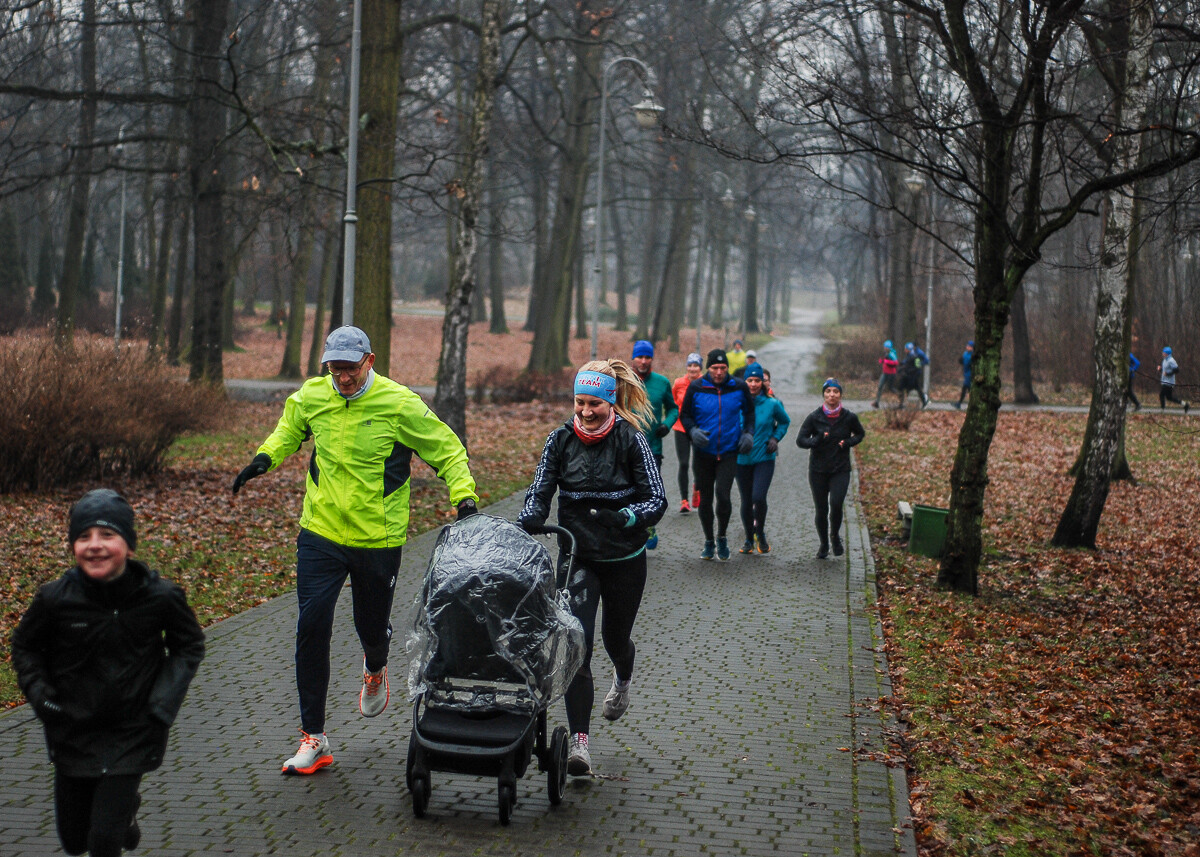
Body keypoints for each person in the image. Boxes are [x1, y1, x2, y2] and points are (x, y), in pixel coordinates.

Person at [230, 325, 480, 775]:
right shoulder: (312, 395)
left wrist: (462, 494)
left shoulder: (398, 403)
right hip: (321, 532)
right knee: (312, 623)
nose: (342, 378)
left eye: (350, 369)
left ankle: (375, 663)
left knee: (369, 625)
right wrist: (264, 459)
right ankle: (314, 738)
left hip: (376, 538)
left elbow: (446, 448)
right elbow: (290, 430)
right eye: (335, 369)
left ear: (369, 360)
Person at [12, 489, 205, 857]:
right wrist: (40, 696)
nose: (95, 545)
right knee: (74, 840)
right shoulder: (55, 599)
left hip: (133, 730)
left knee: (102, 843)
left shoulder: (160, 597)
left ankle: (117, 819)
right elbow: (24, 647)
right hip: (73, 728)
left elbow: (189, 645)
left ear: (129, 546)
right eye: (84, 537)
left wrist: (162, 706)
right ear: (72, 546)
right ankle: (126, 816)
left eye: (107, 535)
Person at [518, 359, 667, 776]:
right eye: (580, 403)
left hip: (624, 558)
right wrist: (532, 513)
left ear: (611, 402)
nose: (585, 412)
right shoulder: (560, 440)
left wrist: (627, 517)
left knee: (615, 639)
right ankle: (580, 743)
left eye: (594, 404)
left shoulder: (631, 440)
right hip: (578, 558)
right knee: (577, 645)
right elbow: (540, 487)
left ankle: (622, 678)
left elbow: (657, 499)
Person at [680, 348, 755, 562]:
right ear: (708, 368)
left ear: (728, 368)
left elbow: (750, 413)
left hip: (730, 451)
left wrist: (748, 433)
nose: (719, 372)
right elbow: (685, 415)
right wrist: (693, 431)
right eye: (714, 368)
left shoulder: (739, 387)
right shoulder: (696, 387)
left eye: (723, 368)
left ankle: (721, 536)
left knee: (723, 495)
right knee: (705, 498)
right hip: (704, 452)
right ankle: (708, 540)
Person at [796, 379, 866, 559]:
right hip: (818, 470)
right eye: (828, 391)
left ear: (840, 395)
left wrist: (848, 442)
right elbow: (801, 440)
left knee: (836, 504)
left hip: (840, 469)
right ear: (824, 395)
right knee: (821, 509)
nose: (832, 395)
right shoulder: (814, 417)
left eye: (835, 391)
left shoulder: (849, 417)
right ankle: (824, 544)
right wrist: (817, 439)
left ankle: (835, 536)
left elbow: (860, 434)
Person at [735, 364, 791, 554]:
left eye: (757, 380)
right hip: (741, 458)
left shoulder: (772, 404)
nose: (753, 384)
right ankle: (749, 539)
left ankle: (761, 532)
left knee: (758, 497)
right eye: (749, 380)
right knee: (746, 499)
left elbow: (785, 422)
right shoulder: (737, 402)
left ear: (763, 382)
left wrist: (775, 438)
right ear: (744, 381)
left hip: (764, 457)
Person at [630, 340, 678, 548]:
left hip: (653, 447)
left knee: (649, 490)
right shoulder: (623, 381)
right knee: (628, 489)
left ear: (652, 359)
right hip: (627, 447)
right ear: (633, 358)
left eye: (647, 357)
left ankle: (649, 526)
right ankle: (630, 529)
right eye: (639, 357)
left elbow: (673, 409)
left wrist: (666, 425)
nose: (643, 361)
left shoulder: (662, 382)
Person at [671, 353, 704, 514]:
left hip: (699, 428)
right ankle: (684, 500)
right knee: (683, 463)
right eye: (690, 365)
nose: (692, 368)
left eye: (696, 365)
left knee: (698, 464)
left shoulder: (705, 382)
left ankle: (697, 489)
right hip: (681, 427)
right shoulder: (679, 383)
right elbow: (672, 403)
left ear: (700, 368)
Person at [1157, 346, 1190, 413]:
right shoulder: (1164, 360)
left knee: (1161, 395)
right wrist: (1160, 369)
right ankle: (1185, 404)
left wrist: (1168, 374)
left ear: (1167, 353)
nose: (1162, 353)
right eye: (1162, 352)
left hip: (1169, 382)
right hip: (1164, 381)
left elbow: (1177, 370)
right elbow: (1165, 371)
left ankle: (1162, 410)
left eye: (1163, 352)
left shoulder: (1171, 360)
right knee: (1169, 398)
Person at [897, 341, 930, 408]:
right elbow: (906, 363)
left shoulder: (914, 356)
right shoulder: (910, 355)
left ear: (908, 349)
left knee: (916, 388)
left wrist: (902, 369)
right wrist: (901, 365)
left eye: (905, 348)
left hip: (912, 376)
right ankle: (901, 404)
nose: (904, 350)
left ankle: (924, 401)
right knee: (902, 387)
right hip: (909, 376)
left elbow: (915, 366)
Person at [872, 340, 898, 408]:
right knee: (880, 386)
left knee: (891, 388)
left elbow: (895, 363)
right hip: (885, 373)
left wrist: (885, 361)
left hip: (891, 374)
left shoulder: (892, 354)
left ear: (889, 348)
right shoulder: (886, 353)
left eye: (886, 347)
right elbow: (885, 361)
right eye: (884, 347)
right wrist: (882, 361)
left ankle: (901, 398)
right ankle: (877, 402)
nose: (884, 348)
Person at [955, 340, 974, 409]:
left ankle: (959, 403)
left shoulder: (972, 355)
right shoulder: (965, 353)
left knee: (966, 389)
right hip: (966, 373)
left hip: (970, 374)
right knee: (968, 390)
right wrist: (961, 361)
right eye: (967, 346)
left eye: (969, 346)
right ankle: (960, 403)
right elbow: (963, 362)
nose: (967, 347)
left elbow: (968, 363)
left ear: (972, 348)